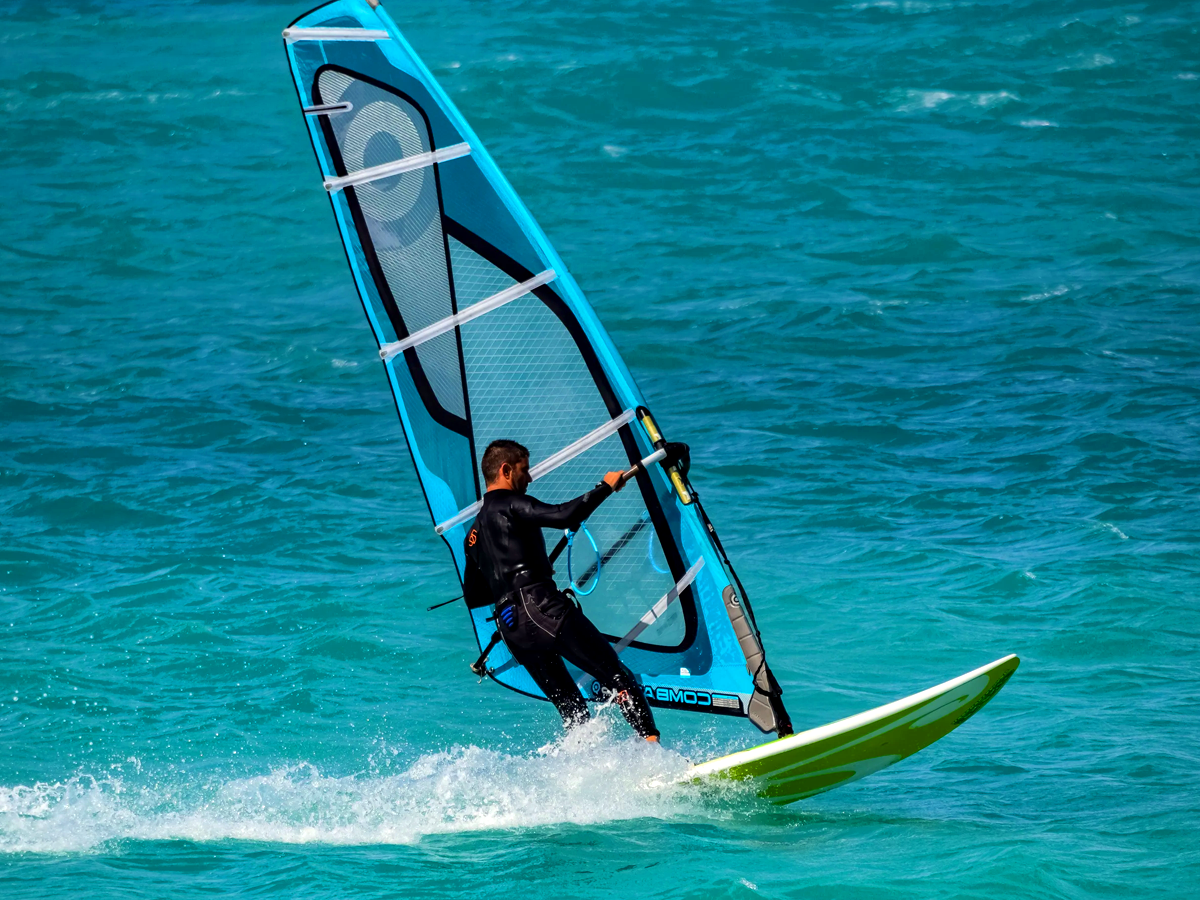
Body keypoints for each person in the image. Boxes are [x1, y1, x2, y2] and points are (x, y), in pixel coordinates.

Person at [462, 439, 661, 741]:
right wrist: (605, 487)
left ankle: (580, 763)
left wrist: (519, 575)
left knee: (572, 709)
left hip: (511, 627)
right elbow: (564, 515)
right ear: (505, 470)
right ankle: (653, 751)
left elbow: (474, 596)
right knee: (617, 676)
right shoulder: (510, 503)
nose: (529, 478)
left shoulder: (473, 535)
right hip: (543, 609)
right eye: (524, 470)